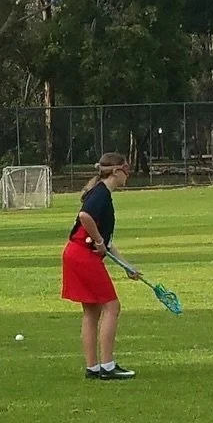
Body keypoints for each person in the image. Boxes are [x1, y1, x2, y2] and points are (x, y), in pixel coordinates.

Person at [61, 152, 139, 380]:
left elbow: (107, 242)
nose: (128, 175)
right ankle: (107, 365)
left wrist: (127, 266)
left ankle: (93, 367)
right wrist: (97, 241)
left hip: (76, 254)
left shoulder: (102, 194)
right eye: (126, 170)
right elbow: (85, 216)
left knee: (92, 311)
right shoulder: (101, 194)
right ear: (116, 171)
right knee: (112, 307)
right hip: (83, 255)